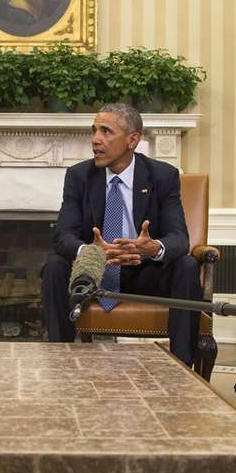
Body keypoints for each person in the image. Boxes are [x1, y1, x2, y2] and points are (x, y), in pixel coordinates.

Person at [41, 102, 201, 366]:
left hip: (145, 271)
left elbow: (179, 238)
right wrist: (91, 252)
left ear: (132, 140)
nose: (95, 140)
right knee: (54, 265)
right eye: (94, 131)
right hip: (95, 274)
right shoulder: (79, 176)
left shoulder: (162, 176)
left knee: (187, 266)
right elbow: (62, 236)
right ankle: (62, 362)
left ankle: (183, 368)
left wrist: (153, 247)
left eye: (105, 131)